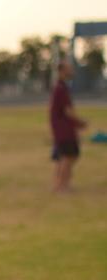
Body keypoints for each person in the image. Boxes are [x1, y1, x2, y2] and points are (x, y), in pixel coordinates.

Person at [49, 59, 88, 193]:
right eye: (69, 68)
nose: (72, 71)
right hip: (63, 129)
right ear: (62, 71)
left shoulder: (61, 87)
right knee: (68, 156)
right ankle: (61, 186)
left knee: (66, 156)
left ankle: (60, 184)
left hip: (64, 128)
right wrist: (80, 122)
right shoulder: (60, 88)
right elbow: (67, 111)